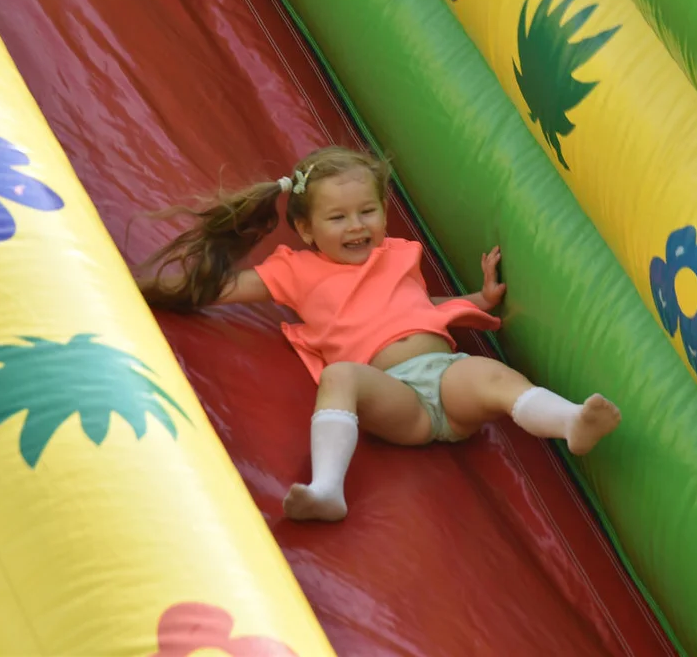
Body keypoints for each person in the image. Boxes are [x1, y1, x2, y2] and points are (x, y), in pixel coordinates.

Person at [136, 146, 622, 522]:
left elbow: (412, 308)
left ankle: (571, 421)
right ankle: (327, 489)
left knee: (492, 375)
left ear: (383, 212)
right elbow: (218, 288)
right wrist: (140, 285)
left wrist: (475, 301)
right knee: (342, 375)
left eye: (366, 212)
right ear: (305, 230)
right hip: (395, 398)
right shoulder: (296, 271)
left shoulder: (399, 253)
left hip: (449, 380)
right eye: (337, 217)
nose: (356, 227)